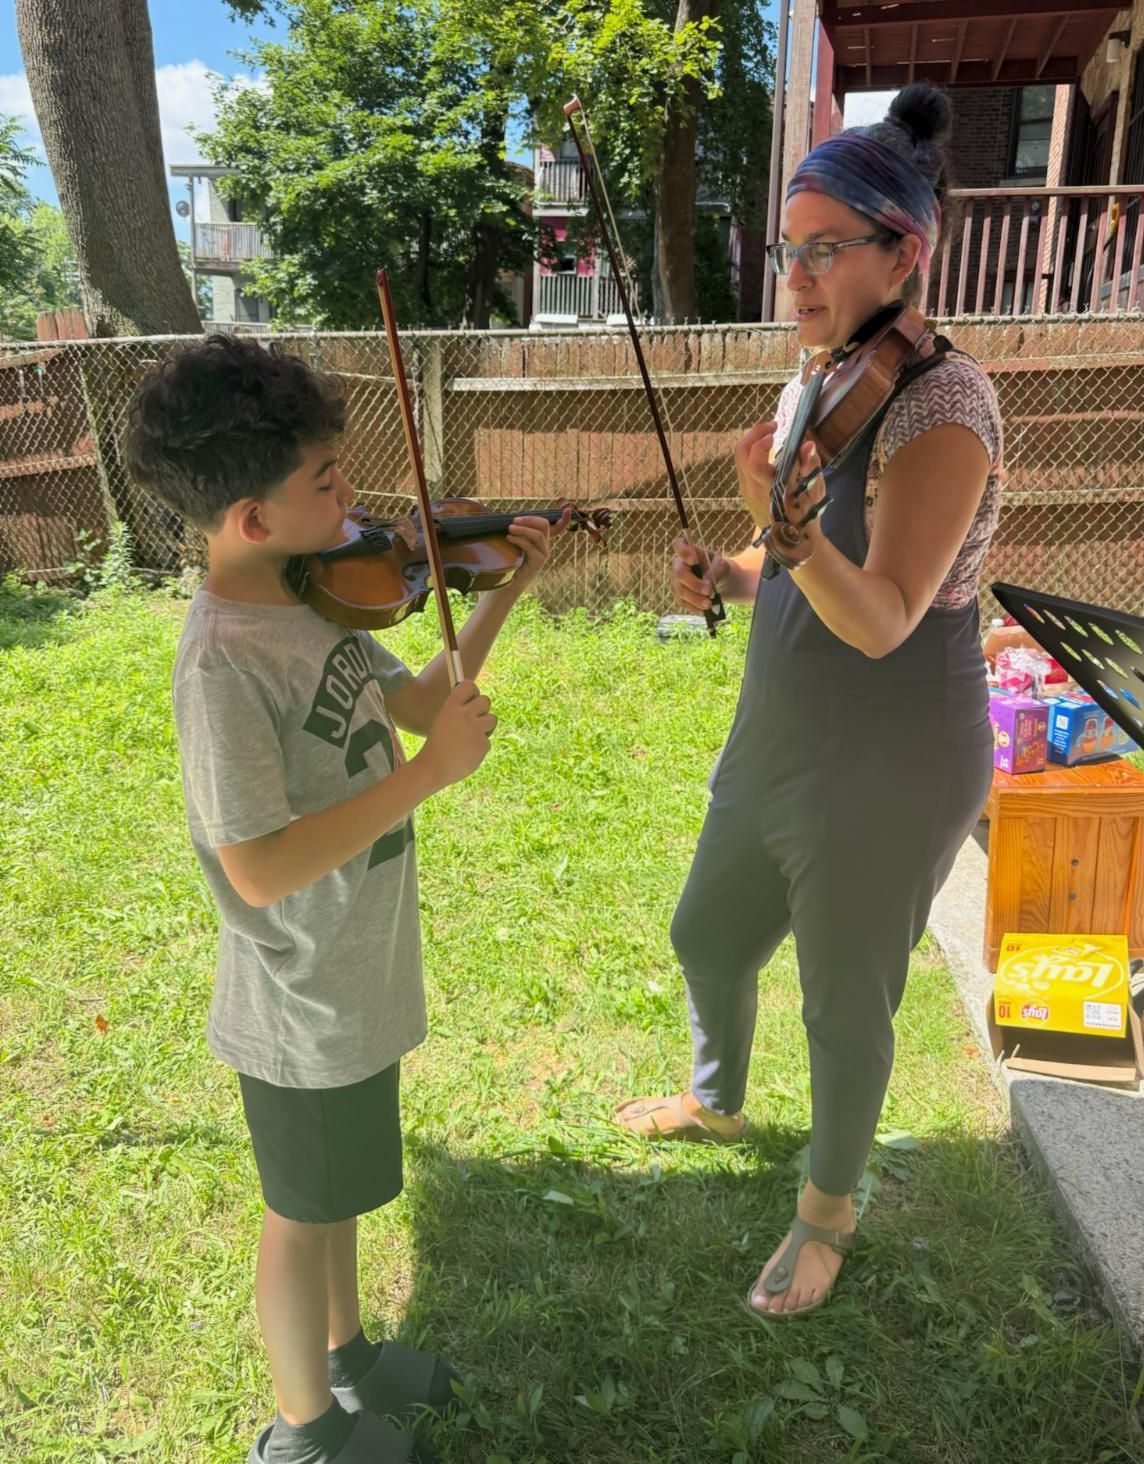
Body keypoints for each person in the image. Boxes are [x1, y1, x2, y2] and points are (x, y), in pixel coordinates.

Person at [125, 334, 565, 1463]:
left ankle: (348, 1356)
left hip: (351, 963)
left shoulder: (310, 599)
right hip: (297, 990)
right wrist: (426, 780)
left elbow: (418, 705)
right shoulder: (225, 658)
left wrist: (505, 590)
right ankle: (304, 1433)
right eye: (326, 481)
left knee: (340, 1194)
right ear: (253, 517)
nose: (354, 497)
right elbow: (257, 864)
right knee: (300, 1209)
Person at [616, 84, 1004, 1319]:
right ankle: (717, 1097)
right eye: (790, 250)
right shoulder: (813, 383)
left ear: (906, 251)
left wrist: (779, 532)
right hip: (779, 728)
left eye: (825, 249)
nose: (797, 274)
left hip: (888, 750)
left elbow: (885, 614)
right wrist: (735, 566)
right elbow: (790, 562)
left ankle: (828, 1211)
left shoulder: (944, 410)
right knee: (706, 932)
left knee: (845, 1006)